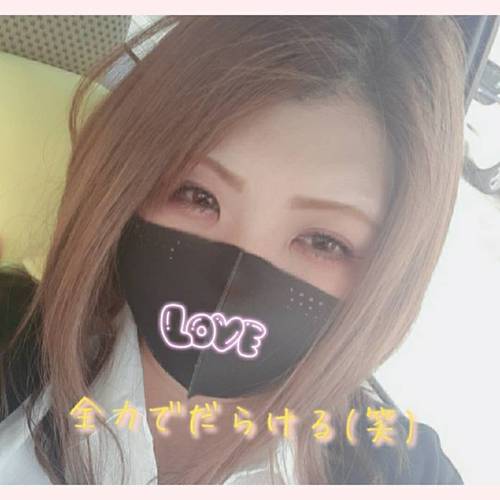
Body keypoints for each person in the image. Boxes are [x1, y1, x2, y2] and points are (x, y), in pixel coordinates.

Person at [0, 15, 466, 484]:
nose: (233, 280)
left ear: (390, 269)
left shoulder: (408, 472)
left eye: (324, 241)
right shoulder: (12, 336)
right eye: (198, 196)